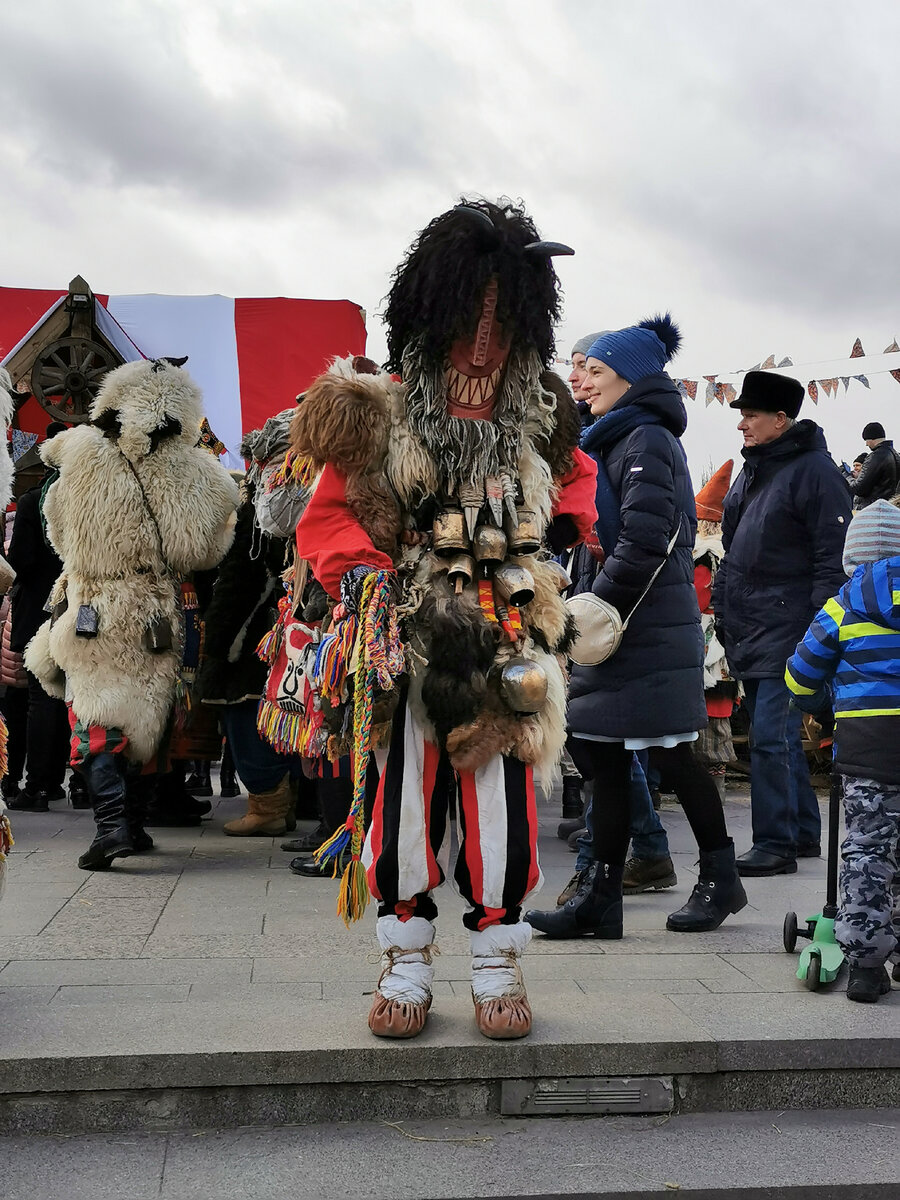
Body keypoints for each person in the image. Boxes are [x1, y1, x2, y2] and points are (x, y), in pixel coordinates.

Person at [292, 200, 597, 1040]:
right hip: (411, 630)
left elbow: (577, 481)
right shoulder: (380, 410)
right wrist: (381, 582)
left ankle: (499, 961)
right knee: (405, 801)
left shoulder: (542, 410)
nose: (487, 340)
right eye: (472, 314)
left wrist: (562, 538)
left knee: (501, 797)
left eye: (504, 317)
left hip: (513, 632)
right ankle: (407, 959)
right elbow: (325, 519)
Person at [526, 315, 745, 941]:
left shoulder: (647, 438)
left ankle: (719, 877)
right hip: (617, 620)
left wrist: (592, 607)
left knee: (672, 753)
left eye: (595, 371)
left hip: (643, 621)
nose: (582, 381)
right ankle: (600, 893)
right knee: (599, 751)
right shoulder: (610, 439)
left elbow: (650, 539)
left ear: (631, 379)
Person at [25, 358, 239, 870]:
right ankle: (131, 823)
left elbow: (55, 531)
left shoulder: (75, 452)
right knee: (150, 716)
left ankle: (114, 827)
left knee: (96, 717)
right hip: (155, 616)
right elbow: (203, 553)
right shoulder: (197, 470)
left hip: (91, 609)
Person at [713, 371, 852, 876]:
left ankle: (773, 842)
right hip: (752, 623)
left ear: (781, 419)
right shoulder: (756, 470)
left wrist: (820, 633)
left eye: (750, 416)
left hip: (791, 625)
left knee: (772, 734)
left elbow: (830, 561)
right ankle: (800, 834)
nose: (742, 425)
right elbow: (734, 548)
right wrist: (726, 613)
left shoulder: (816, 472)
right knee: (781, 736)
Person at [785, 499, 900, 1003]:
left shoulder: (844, 603)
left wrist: (819, 698)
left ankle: (867, 967)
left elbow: (800, 674)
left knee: (868, 852)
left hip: (868, 748)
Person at [5, 423, 73, 812]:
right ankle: (77, 783)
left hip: (39, 612)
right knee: (72, 697)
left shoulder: (34, 502)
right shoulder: (86, 498)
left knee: (41, 698)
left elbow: (21, 564)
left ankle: (39, 785)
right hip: (78, 608)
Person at [692, 460, 739, 800]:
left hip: (708, 649)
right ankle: (713, 789)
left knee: (710, 720)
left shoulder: (705, 557)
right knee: (717, 718)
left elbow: (696, 597)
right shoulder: (731, 556)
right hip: (723, 646)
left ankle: (711, 794)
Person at [847, 422, 900, 508]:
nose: (866, 444)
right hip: (891, 507)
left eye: (866, 440)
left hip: (873, 509)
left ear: (871, 438)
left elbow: (859, 489)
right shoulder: (895, 455)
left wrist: (847, 477)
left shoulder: (876, 456)